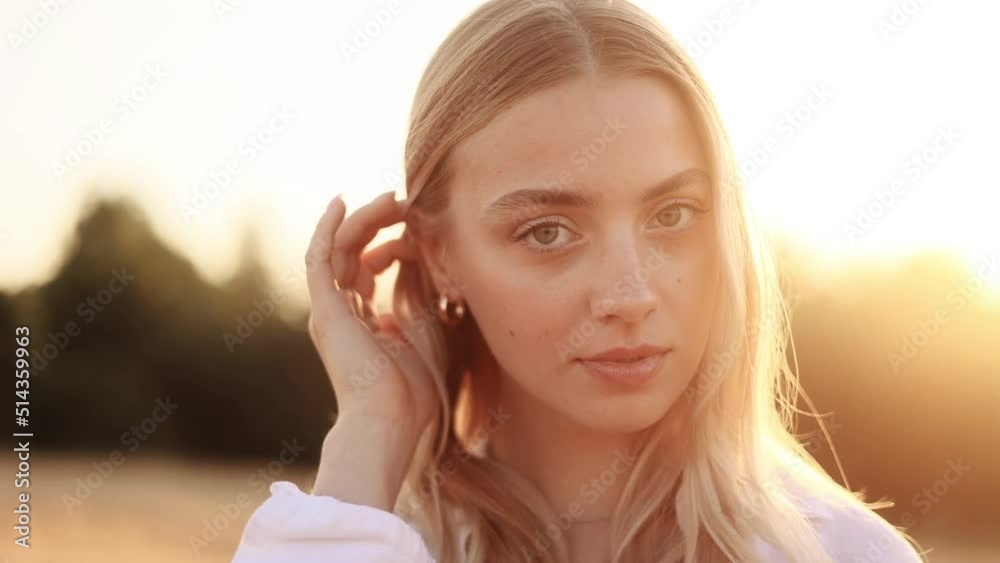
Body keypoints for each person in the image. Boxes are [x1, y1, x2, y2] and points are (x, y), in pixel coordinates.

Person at [232, 1, 927, 561]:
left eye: (672, 214)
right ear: (441, 256)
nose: (630, 294)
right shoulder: (365, 536)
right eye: (547, 231)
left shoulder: (841, 552)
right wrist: (371, 432)